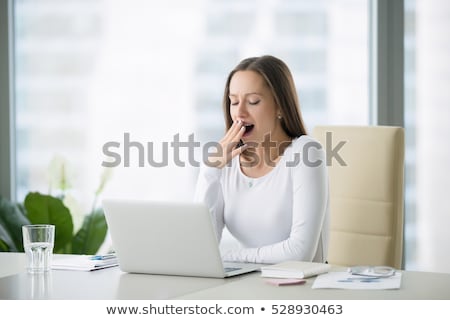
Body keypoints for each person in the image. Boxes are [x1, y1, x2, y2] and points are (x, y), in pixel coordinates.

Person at [194, 55, 329, 264]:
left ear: (280, 107)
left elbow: (299, 252)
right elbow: (200, 247)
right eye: (234, 101)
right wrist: (210, 169)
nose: (239, 112)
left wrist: (228, 258)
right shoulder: (228, 161)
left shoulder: (306, 153)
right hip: (248, 285)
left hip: (299, 288)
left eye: (253, 101)